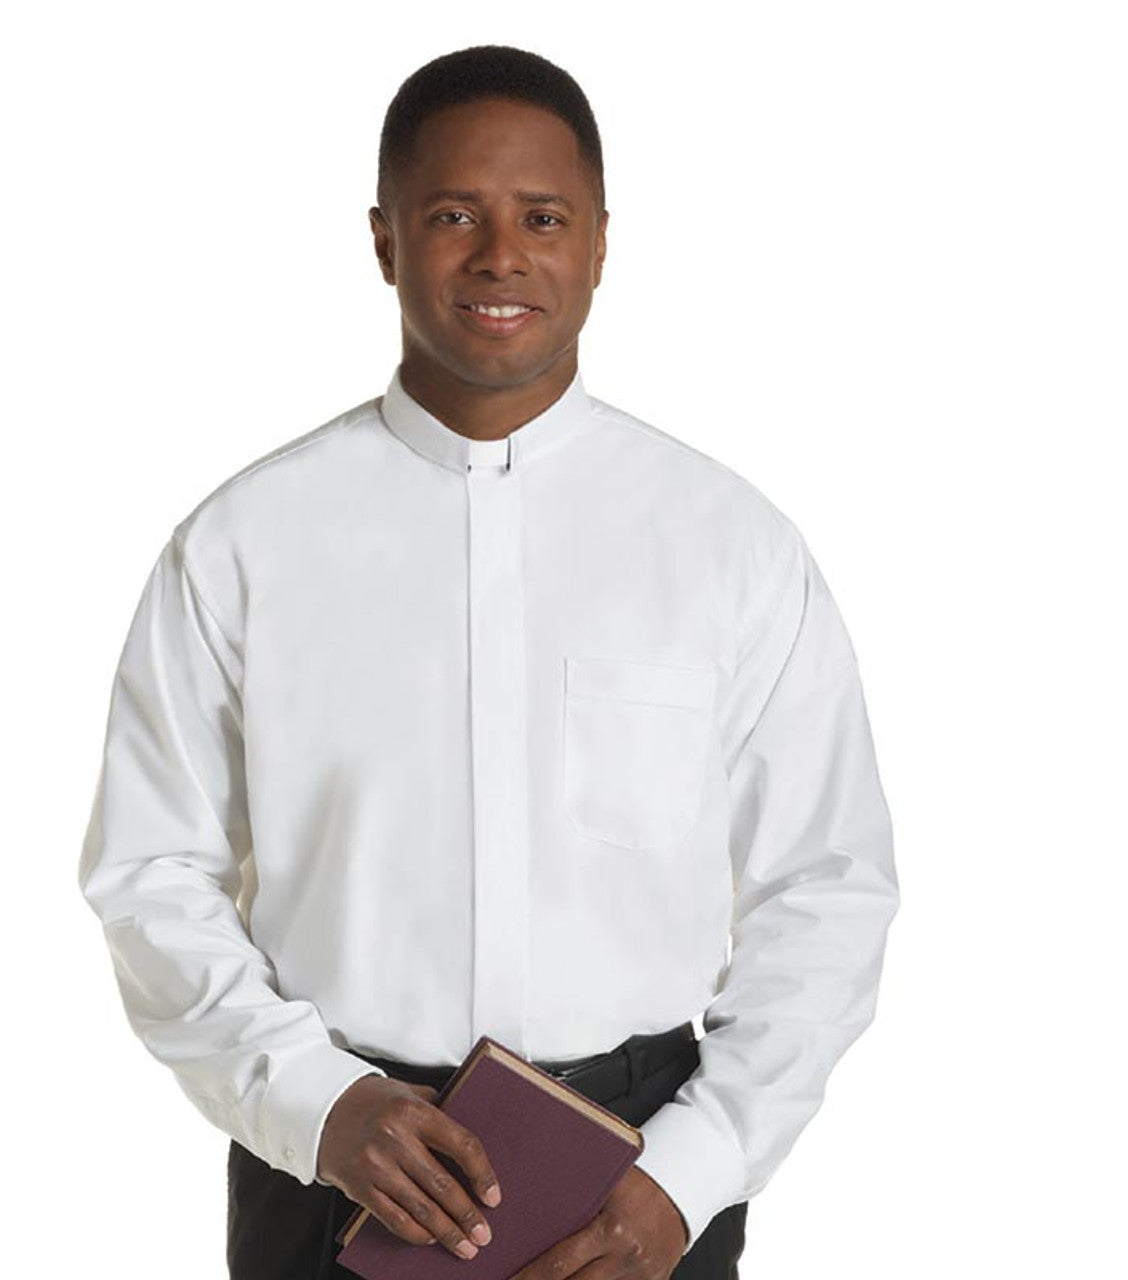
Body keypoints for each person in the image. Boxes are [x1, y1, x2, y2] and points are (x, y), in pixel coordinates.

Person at [78, 44, 899, 1280]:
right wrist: (317, 1102)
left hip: (635, 1178)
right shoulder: (242, 544)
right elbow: (149, 873)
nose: (500, 256)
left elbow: (827, 887)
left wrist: (683, 1181)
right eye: (453, 213)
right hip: (334, 1171)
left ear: (601, 241)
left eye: (543, 217)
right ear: (382, 238)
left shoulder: (728, 545)